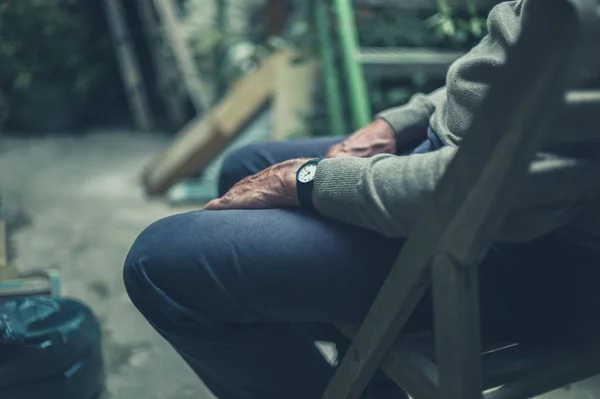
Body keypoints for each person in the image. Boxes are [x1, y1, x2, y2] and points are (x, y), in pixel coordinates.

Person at [123, 1, 600, 398]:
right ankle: (369, 386)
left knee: (159, 265)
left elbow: (497, 185)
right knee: (244, 166)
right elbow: (509, 64)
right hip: (467, 172)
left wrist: (307, 180)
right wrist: (400, 122)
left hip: (532, 251)